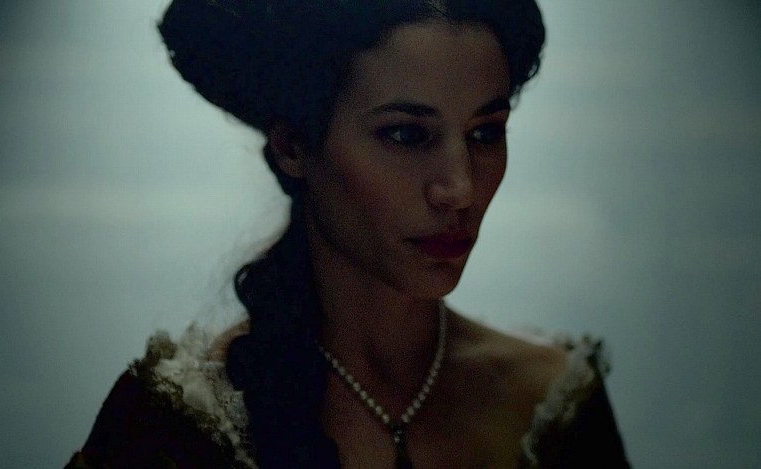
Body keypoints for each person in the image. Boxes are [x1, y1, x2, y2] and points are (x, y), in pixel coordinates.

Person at [67, 1, 630, 467]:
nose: (459, 189)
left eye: (485, 134)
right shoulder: (178, 422)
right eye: (407, 135)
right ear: (294, 147)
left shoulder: (549, 404)